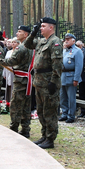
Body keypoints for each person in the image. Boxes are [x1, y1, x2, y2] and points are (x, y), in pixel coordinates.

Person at [24, 17, 63, 149]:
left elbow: (57, 65)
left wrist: (54, 82)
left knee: (49, 111)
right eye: (40, 26)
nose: (41, 28)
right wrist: (33, 33)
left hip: (48, 83)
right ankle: (44, 135)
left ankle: (50, 138)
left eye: (43, 26)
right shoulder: (41, 41)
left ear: (51, 27)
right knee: (40, 111)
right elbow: (27, 45)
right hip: (39, 82)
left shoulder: (55, 42)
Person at [0, 26, 34, 138]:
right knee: (26, 105)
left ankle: (14, 128)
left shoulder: (22, 47)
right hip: (28, 79)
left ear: (26, 34)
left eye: (19, 31)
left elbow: (11, 61)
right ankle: (25, 129)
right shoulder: (32, 46)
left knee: (15, 105)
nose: (17, 33)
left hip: (20, 80)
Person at [59, 33, 83, 123]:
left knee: (71, 98)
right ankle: (64, 113)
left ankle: (71, 115)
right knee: (63, 97)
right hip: (63, 76)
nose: (66, 41)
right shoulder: (64, 51)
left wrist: (76, 79)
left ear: (73, 40)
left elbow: (79, 66)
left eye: (68, 39)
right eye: (66, 39)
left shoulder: (77, 51)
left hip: (71, 76)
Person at [2, 38, 20, 103]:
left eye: (14, 42)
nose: (13, 44)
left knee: (13, 86)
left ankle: (14, 102)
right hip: (7, 70)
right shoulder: (8, 52)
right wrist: (4, 73)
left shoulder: (18, 51)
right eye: (12, 42)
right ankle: (8, 102)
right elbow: (5, 62)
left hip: (14, 71)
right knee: (8, 86)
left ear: (18, 43)